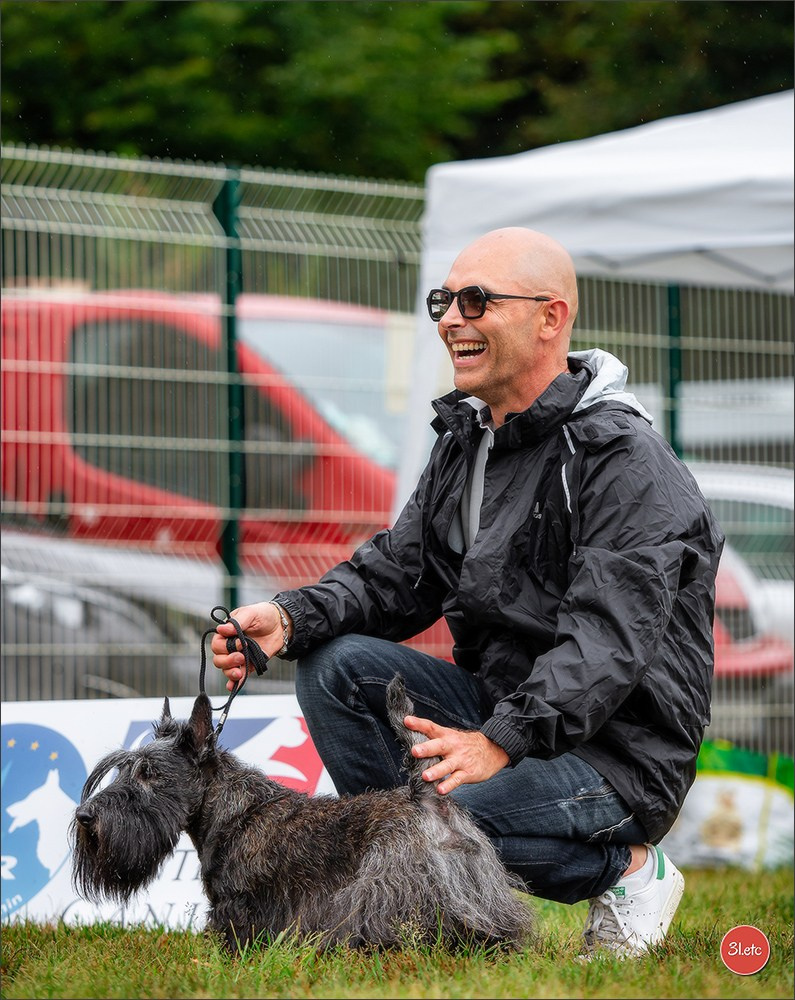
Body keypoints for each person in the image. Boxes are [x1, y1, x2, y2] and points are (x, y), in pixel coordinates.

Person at [212, 227, 724, 958]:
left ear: (549, 318)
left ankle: (629, 872)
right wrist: (287, 619)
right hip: (507, 713)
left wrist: (497, 743)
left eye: (476, 300)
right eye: (442, 301)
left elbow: (604, 646)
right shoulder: (467, 439)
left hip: (616, 753)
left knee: (440, 824)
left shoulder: (623, 460)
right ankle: (417, 887)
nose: (452, 318)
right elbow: (399, 574)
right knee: (338, 668)